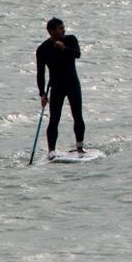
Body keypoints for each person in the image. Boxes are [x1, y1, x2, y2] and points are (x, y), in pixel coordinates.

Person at [36, 17, 86, 159]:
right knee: (54, 119)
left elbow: (78, 54)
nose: (64, 30)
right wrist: (42, 93)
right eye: (60, 29)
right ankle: (51, 151)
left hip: (72, 84)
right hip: (56, 86)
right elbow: (40, 73)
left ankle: (80, 147)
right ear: (51, 31)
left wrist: (64, 48)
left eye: (63, 28)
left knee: (78, 116)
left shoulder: (70, 40)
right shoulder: (43, 49)